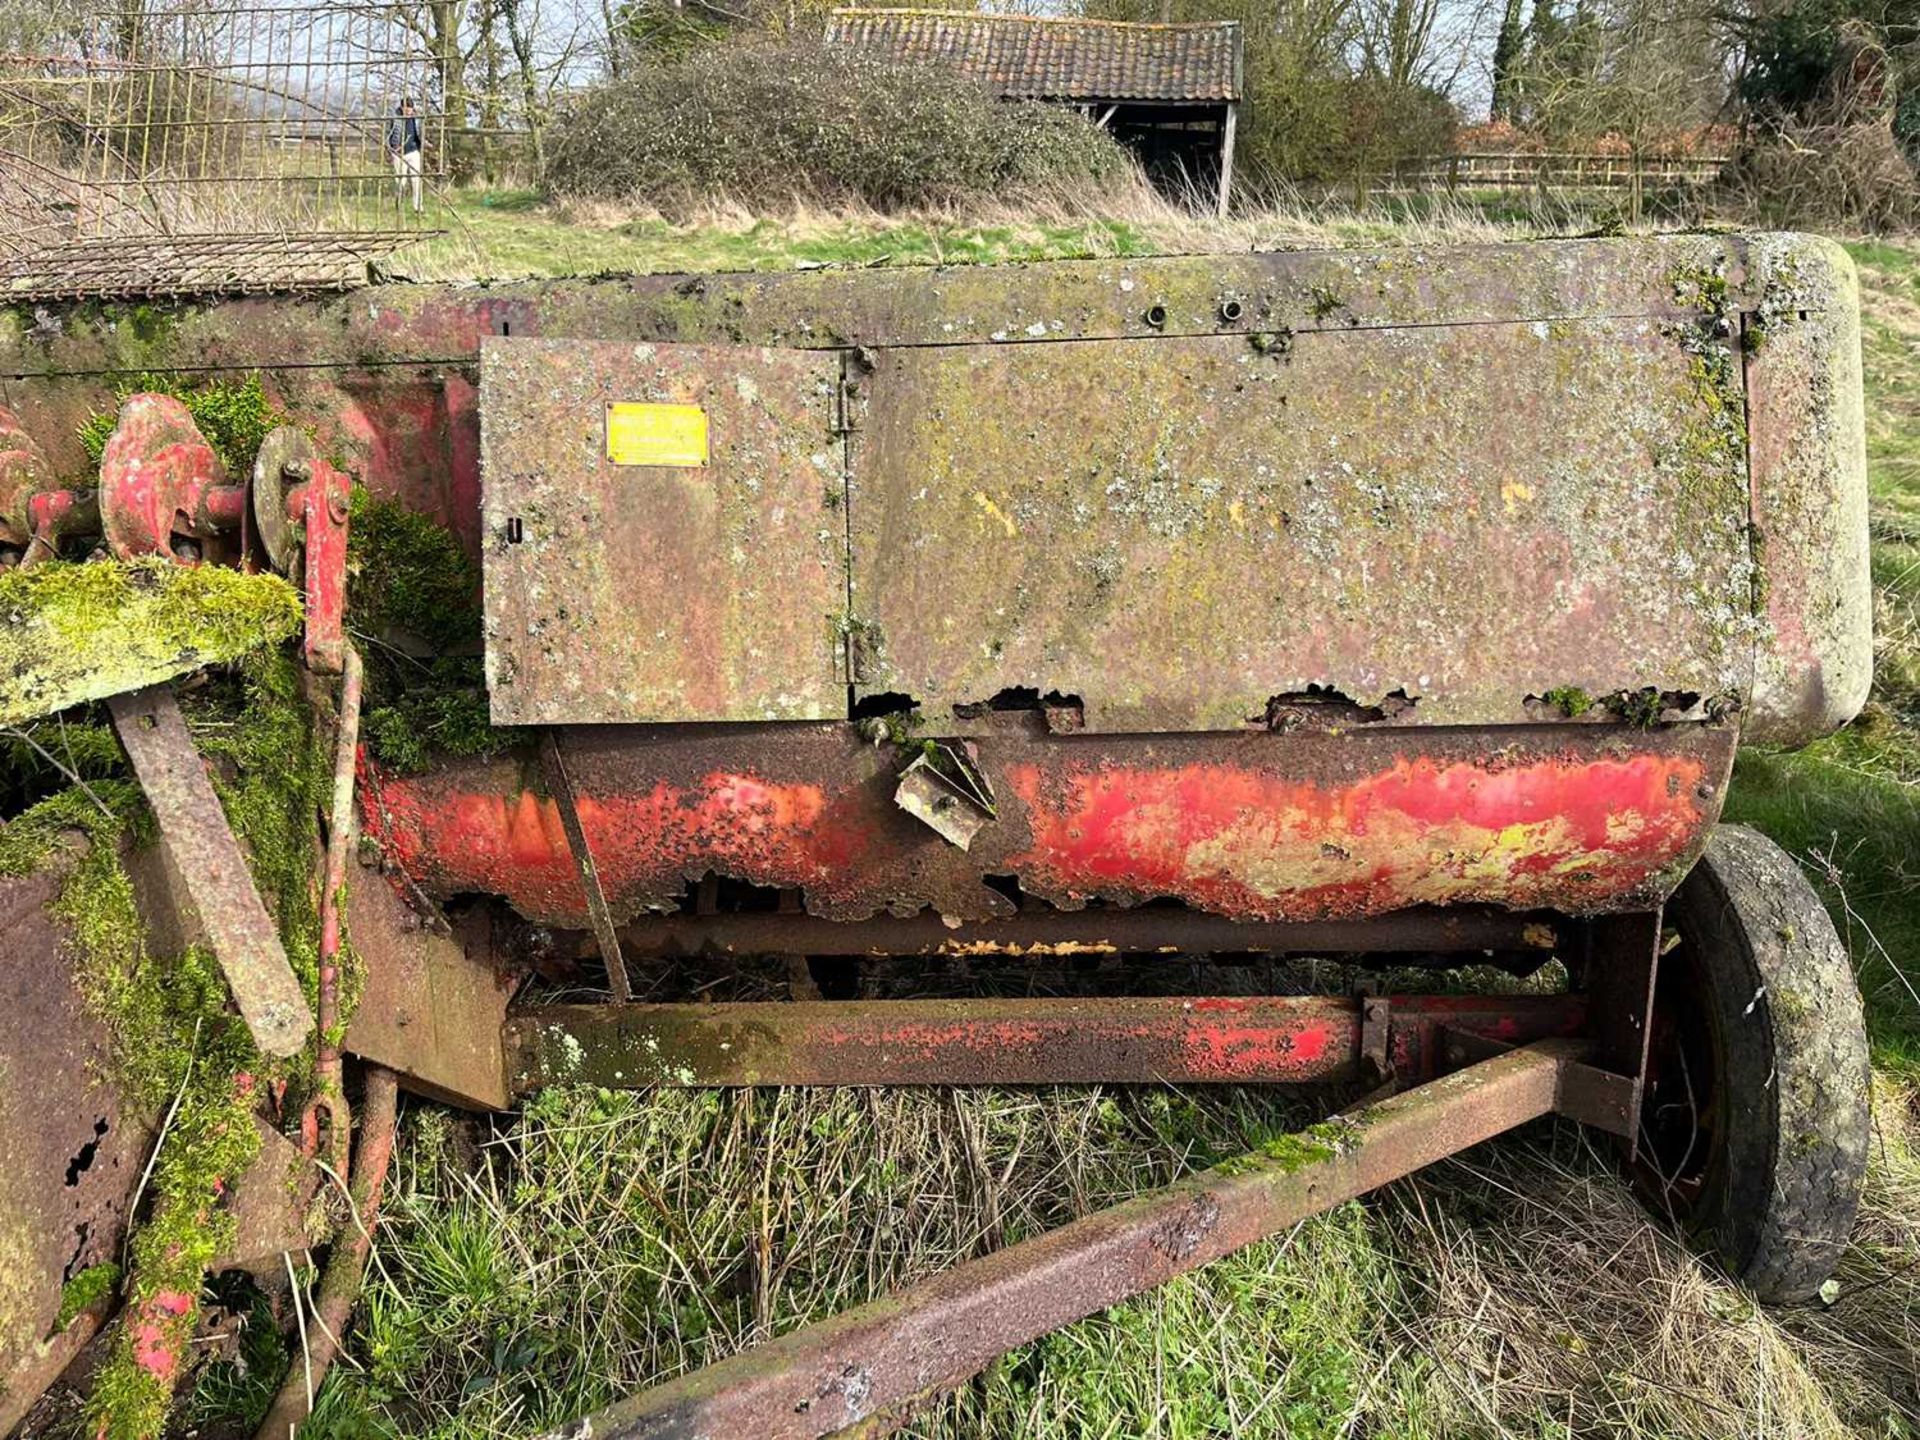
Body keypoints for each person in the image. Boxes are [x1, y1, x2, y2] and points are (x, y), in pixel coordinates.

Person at [387, 97, 423, 213]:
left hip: (413, 151)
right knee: (401, 181)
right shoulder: (395, 118)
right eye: (406, 108)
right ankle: (399, 205)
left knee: (416, 179)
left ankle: (418, 206)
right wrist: (391, 149)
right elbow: (388, 134)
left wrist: (423, 142)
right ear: (402, 107)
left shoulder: (416, 118)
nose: (408, 111)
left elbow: (419, 133)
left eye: (410, 109)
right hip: (399, 153)